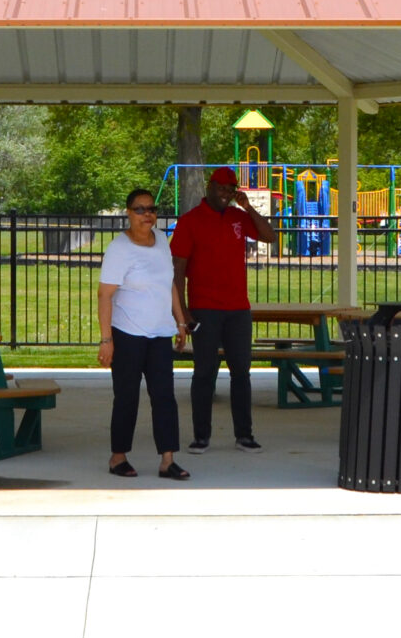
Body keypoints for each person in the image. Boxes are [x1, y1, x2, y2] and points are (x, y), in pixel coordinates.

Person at [170, 164, 276, 451]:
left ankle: (244, 434)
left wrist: (248, 207)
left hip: (238, 308)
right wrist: (182, 310)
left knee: (241, 371)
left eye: (230, 190)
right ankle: (201, 435)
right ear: (209, 187)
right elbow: (177, 267)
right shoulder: (190, 221)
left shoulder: (238, 217)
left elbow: (270, 236)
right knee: (205, 372)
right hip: (205, 308)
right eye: (221, 188)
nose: (225, 194)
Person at [96, 188, 188, 480]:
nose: (147, 215)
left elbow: (170, 283)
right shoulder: (119, 249)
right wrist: (106, 339)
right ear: (128, 213)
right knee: (126, 397)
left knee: (164, 397)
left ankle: (168, 460)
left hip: (160, 333)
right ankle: (118, 456)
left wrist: (180, 321)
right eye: (140, 209)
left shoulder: (161, 240)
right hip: (127, 334)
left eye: (151, 209)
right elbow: (104, 295)